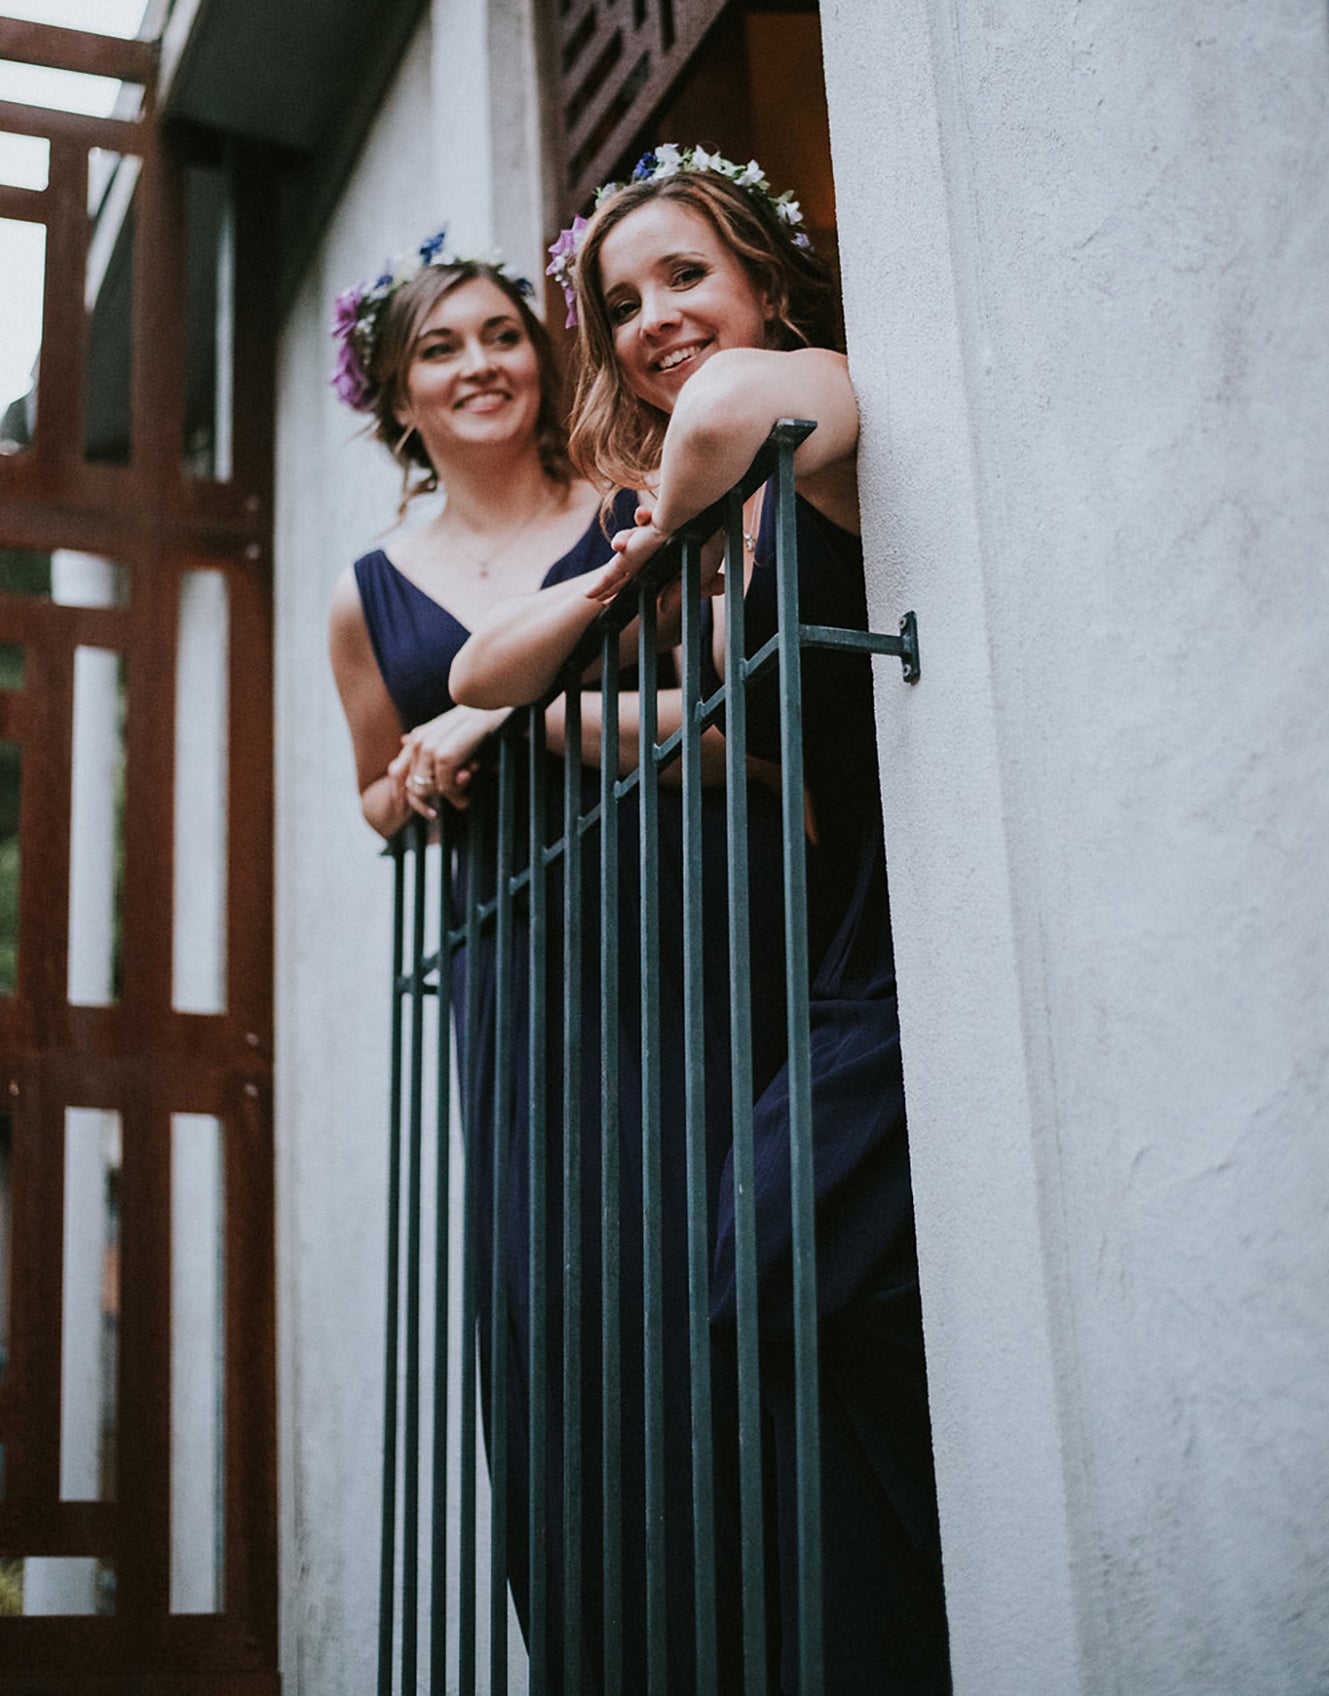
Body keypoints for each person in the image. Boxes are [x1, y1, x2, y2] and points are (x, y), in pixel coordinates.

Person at [459, 147, 952, 1693]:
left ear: (762, 280)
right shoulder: (717, 519)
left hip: (926, 913)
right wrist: (531, 719)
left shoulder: (806, 402)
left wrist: (645, 544)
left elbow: (735, 406)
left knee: (788, 1266)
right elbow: (483, 670)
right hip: (845, 931)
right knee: (763, 1290)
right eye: (619, 302)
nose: (654, 318)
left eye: (685, 277)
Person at [327, 232, 619, 1682]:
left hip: (670, 915)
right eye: (441, 349)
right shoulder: (366, 590)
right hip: (512, 961)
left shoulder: (629, 508)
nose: (480, 365)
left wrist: (496, 720)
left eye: (501, 335)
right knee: (550, 1296)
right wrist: (416, 788)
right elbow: (378, 798)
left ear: (539, 353)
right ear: (399, 396)